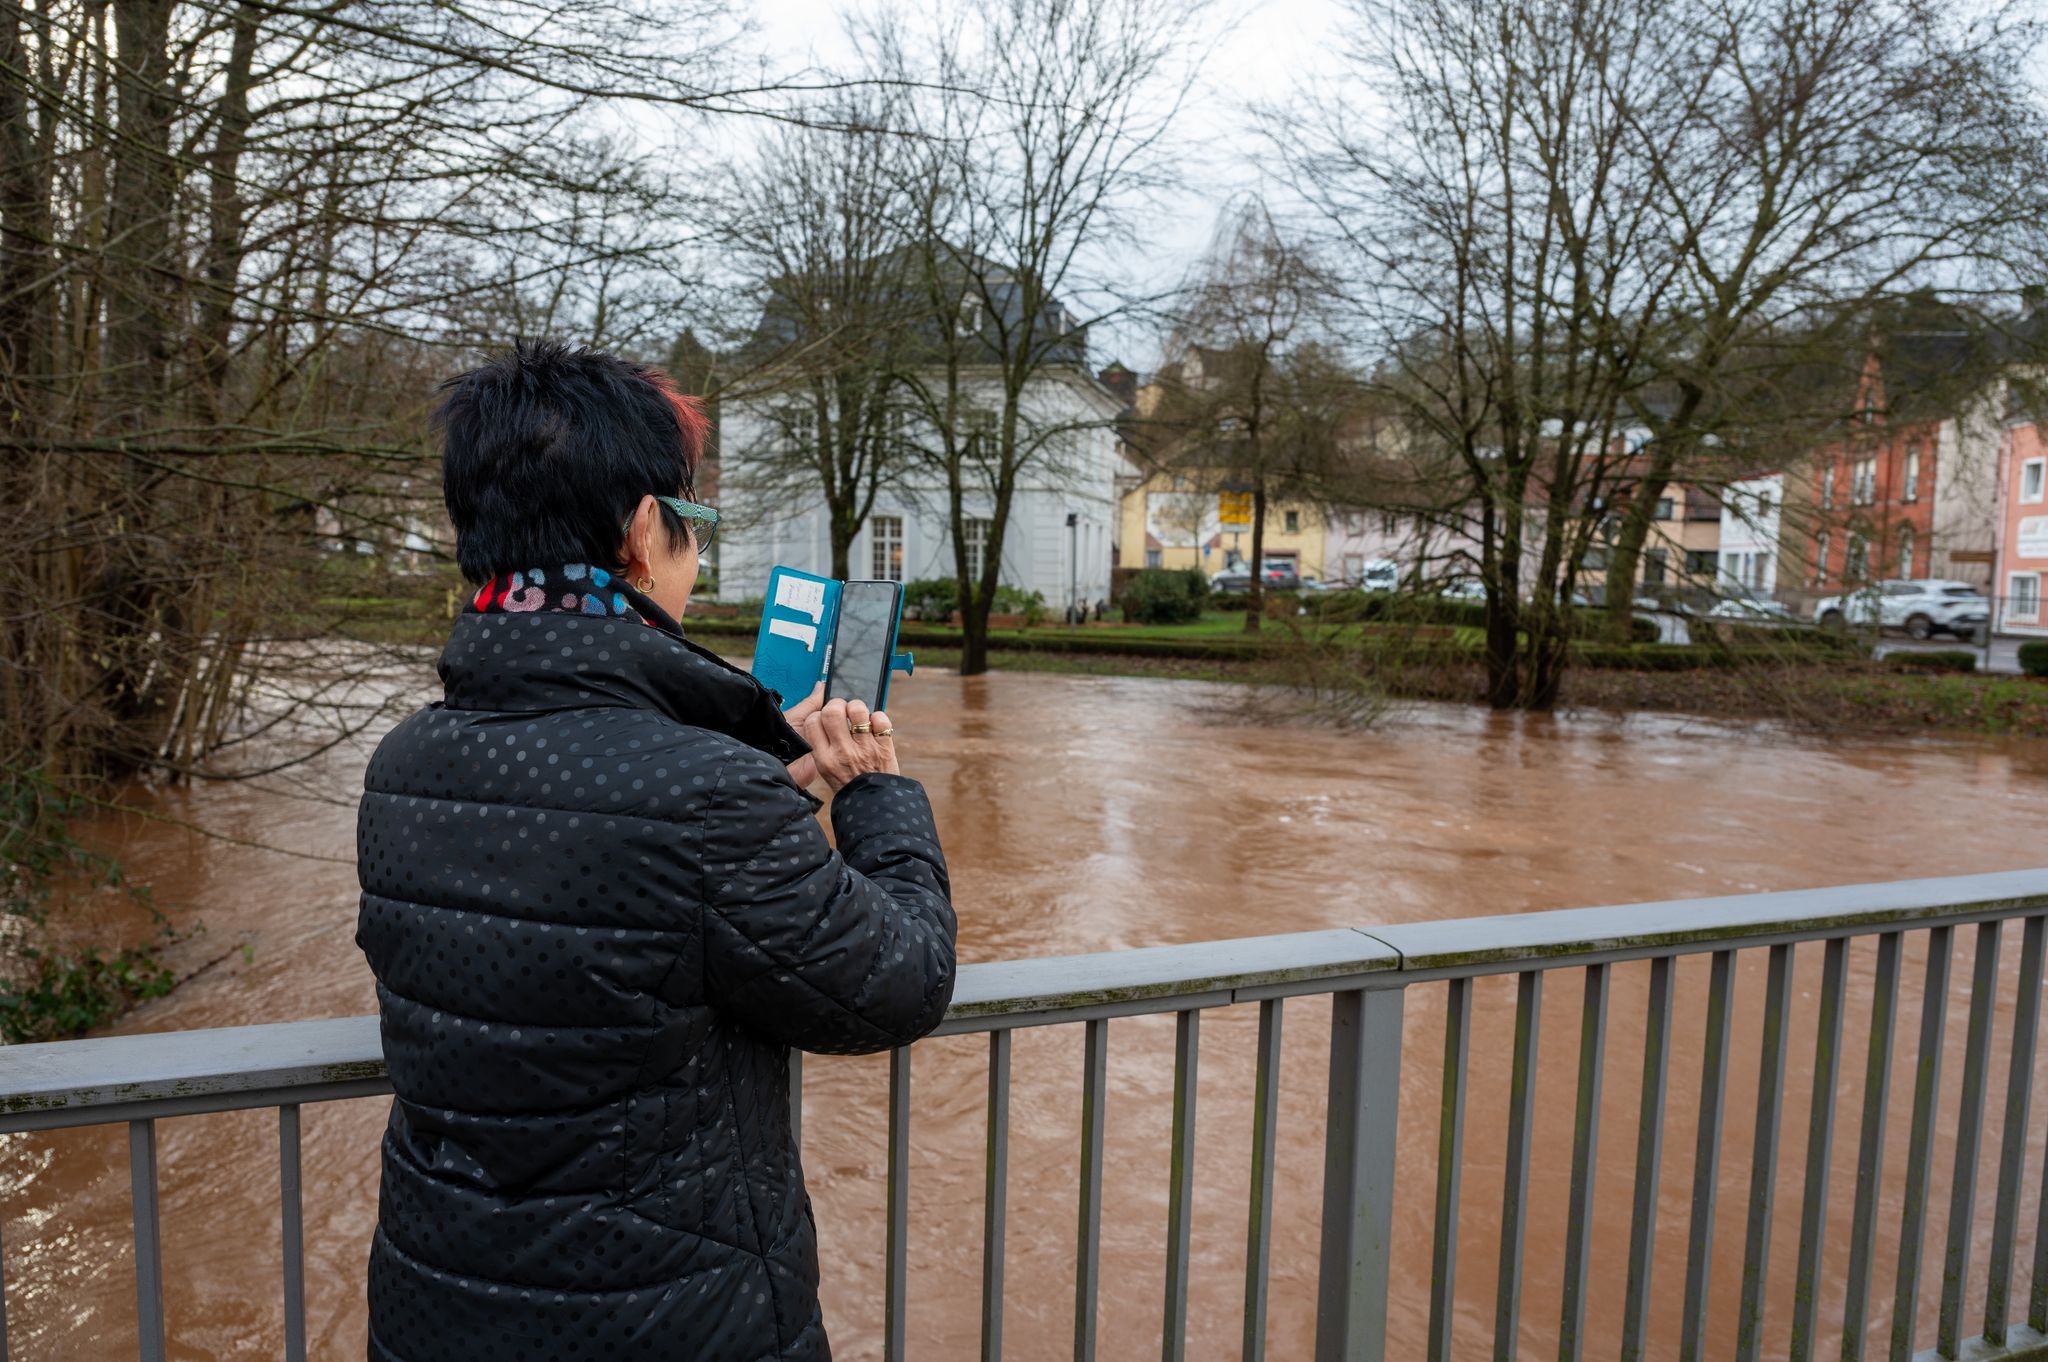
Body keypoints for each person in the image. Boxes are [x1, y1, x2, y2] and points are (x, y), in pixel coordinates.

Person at [356, 339, 956, 1362]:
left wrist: (758, 797)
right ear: (642, 531)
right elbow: (896, 983)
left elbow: (584, 903)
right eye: (693, 525)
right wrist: (873, 792)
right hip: (663, 1321)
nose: (694, 554)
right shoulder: (694, 795)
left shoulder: (406, 758)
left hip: (437, 1308)